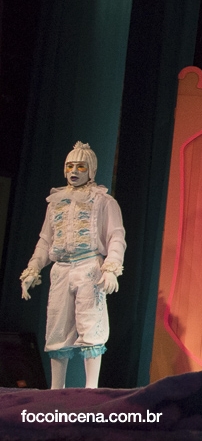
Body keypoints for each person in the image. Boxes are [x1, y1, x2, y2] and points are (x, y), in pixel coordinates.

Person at [20, 142, 126, 389]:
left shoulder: (103, 201)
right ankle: (56, 389)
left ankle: (91, 389)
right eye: (70, 166)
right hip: (61, 269)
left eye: (80, 166)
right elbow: (46, 240)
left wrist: (111, 268)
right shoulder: (56, 202)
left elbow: (116, 236)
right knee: (57, 327)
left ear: (91, 170)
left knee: (91, 325)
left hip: (89, 266)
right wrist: (33, 268)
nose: (74, 171)